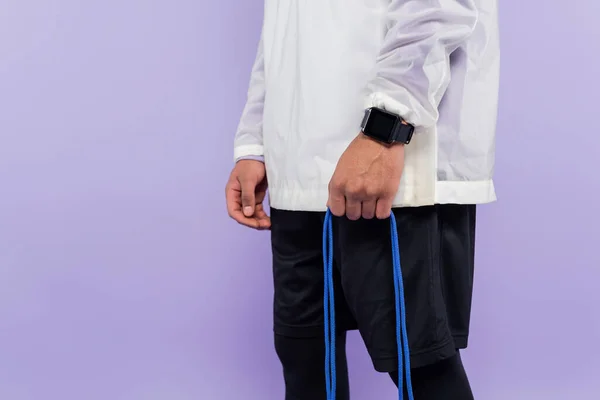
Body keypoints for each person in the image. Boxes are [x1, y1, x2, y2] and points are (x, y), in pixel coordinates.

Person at [225, 0, 499, 398]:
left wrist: (386, 127)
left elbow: (437, 7)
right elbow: (281, 30)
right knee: (304, 359)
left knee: (421, 367)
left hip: (396, 170)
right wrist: (255, 142)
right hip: (298, 170)